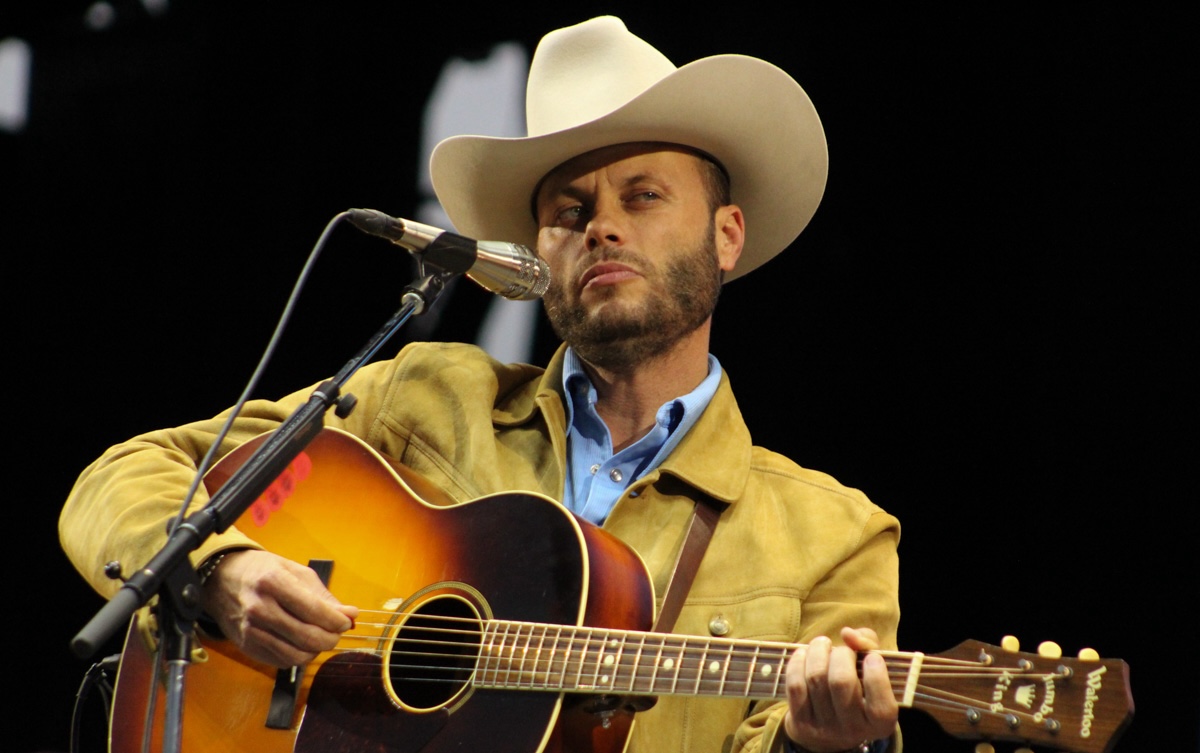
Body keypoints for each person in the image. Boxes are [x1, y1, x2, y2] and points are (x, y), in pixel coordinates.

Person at [60, 16, 901, 753]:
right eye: (568, 210)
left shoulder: (835, 535)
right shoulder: (426, 395)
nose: (600, 224)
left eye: (643, 196)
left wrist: (816, 742)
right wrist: (221, 571)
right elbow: (124, 476)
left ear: (726, 236)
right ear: (538, 253)